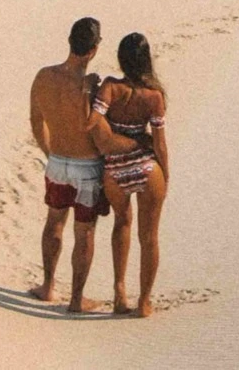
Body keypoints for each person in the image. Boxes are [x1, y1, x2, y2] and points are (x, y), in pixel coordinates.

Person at [28, 16, 109, 312]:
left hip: (58, 162)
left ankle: (47, 286)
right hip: (86, 167)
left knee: (54, 221)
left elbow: (36, 122)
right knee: (84, 231)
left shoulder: (44, 77)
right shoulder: (91, 86)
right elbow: (99, 131)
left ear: (69, 42)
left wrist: (50, 152)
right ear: (95, 49)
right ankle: (76, 300)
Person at [90, 32, 170, 318]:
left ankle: (119, 291)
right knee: (149, 236)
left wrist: (110, 140)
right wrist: (166, 174)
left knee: (121, 224)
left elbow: (94, 120)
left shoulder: (111, 88)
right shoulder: (154, 96)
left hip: (115, 168)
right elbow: (159, 143)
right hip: (147, 168)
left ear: (121, 59)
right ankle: (145, 301)